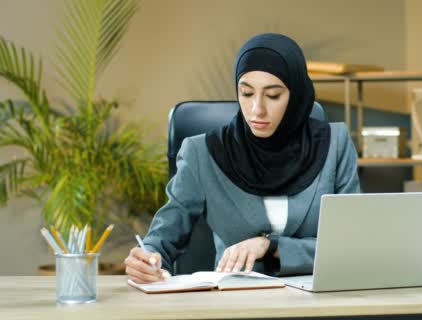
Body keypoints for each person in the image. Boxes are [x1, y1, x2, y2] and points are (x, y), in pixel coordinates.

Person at [124, 33, 360, 284]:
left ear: (296, 94)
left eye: (273, 95)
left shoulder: (335, 144)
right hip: (236, 301)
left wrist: (270, 247)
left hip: (319, 300)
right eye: (246, 93)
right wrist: (147, 258)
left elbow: (352, 244)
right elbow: (164, 235)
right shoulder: (202, 153)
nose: (257, 109)